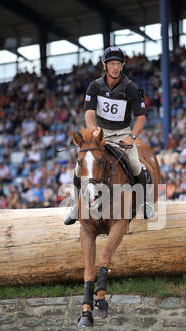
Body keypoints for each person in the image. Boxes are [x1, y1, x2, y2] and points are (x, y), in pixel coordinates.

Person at [64, 46, 154, 225]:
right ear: (105, 66)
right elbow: (89, 114)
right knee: (77, 168)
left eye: (119, 64)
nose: (115, 68)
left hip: (122, 133)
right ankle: (76, 206)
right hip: (100, 133)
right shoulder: (94, 86)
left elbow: (141, 118)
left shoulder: (131, 88)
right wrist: (95, 131)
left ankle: (145, 202)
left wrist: (133, 136)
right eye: (112, 64)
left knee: (136, 165)